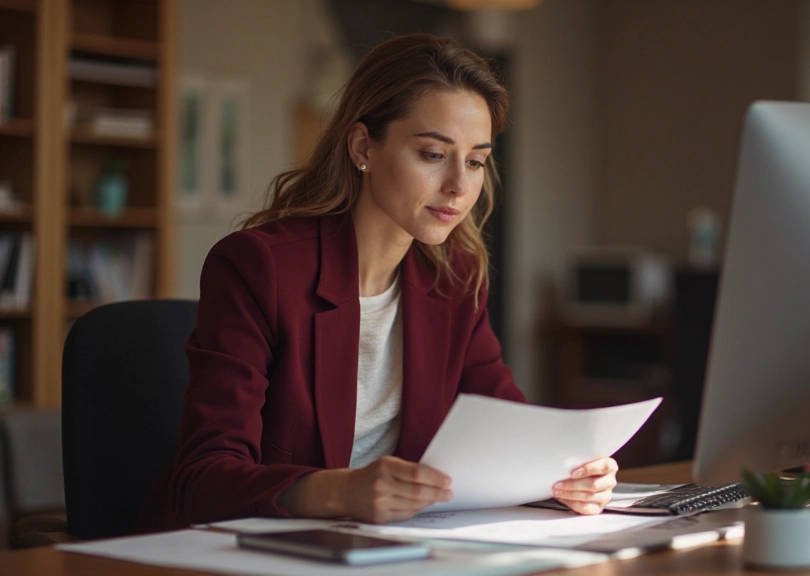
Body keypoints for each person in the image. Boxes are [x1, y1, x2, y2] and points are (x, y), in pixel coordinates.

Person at [138, 33, 617, 531]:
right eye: (433, 154)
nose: (458, 184)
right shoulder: (259, 267)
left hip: (394, 549)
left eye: (475, 161)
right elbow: (203, 480)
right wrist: (342, 490)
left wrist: (566, 474)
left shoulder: (453, 278)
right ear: (364, 145)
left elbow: (508, 428)